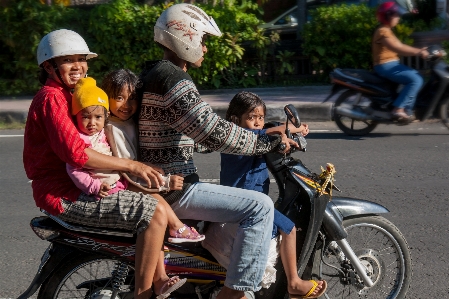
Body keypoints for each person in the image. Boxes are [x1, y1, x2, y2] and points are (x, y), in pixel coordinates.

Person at [138, 4, 298, 299]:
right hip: (176, 188)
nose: (205, 49)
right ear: (184, 37)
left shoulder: (155, 73)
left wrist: (264, 132)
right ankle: (234, 294)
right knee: (260, 206)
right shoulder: (173, 79)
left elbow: (192, 135)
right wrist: (267, 142)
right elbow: (214, 132)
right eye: (203, 40)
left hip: (161, 182)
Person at [24, 29, 168, 299]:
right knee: (153, 213)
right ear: (48, 66)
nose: (78, 66)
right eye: (68, 60)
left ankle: (159, 277)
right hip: (65, 194)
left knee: (159, 202)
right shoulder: (51, 98)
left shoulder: (71, 94)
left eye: (82, 59)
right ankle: (145, 292)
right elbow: (76, 154)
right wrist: (132, 166)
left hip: (86, 186)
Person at [100, 68, 207, 298]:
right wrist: (165, 183)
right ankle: (177, 226)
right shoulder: (114, 127)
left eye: (132, 98)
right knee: (155, 207)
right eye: (119, 98)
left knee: (154, 224)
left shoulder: (126, 121)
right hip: (126, 183)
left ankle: (160, 278)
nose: (126, 104)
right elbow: (127, 170)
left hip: (134, 178)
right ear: (106, 97)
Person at [220, 91, 327, 299]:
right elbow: (267, 134)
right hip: (246, 205)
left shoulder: (246, 136)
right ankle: (294, 282)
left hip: (245, 203)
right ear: (235, 119)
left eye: (260, 117)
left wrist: (286, 137)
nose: (258, 123)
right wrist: (295, 129)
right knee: (289, 228)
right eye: (251, 118)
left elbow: (268, 132)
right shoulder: (239, 137)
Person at [372, 1, 429, 121]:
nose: (398, 18)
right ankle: (398, 109)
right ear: (387, 16)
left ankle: (407, 111)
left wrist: (419, 50)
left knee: (416, 76)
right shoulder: (383, 31)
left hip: (391, 64)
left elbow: (400, 45)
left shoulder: (387, 30)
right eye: (395, 15)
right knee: (416, 79)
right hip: (385, 65)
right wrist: (418, 52)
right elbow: (397, 47)